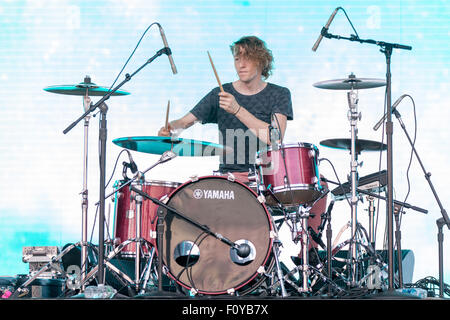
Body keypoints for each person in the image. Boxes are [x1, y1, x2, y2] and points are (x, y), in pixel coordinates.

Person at [158, 35, 327, 264]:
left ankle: (310, 256)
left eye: (247, 58)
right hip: (231, 179)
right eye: (237, 59)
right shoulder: (221, 93)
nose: (241, 64)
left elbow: (274, 138)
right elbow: (186, 121)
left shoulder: (278, 94)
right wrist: (171, 127)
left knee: (320, 185)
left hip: (267, 181)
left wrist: (237, 110)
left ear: (262, 62)